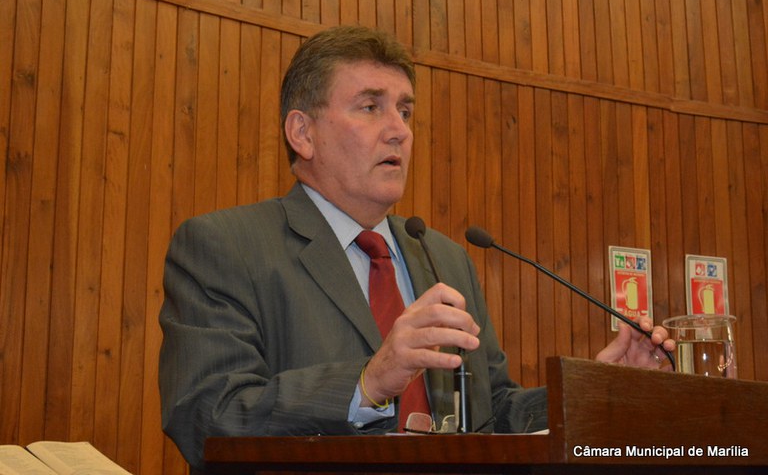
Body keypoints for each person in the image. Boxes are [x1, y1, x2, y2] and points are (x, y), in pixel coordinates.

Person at [159, 25, 674, 472]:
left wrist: (600, 391)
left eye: (405, 111)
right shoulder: (225, 246)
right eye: (370, 107)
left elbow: (493, 414)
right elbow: (204, 415)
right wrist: (367, 383)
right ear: (303, 132)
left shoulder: (443, 257)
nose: (399, 131)